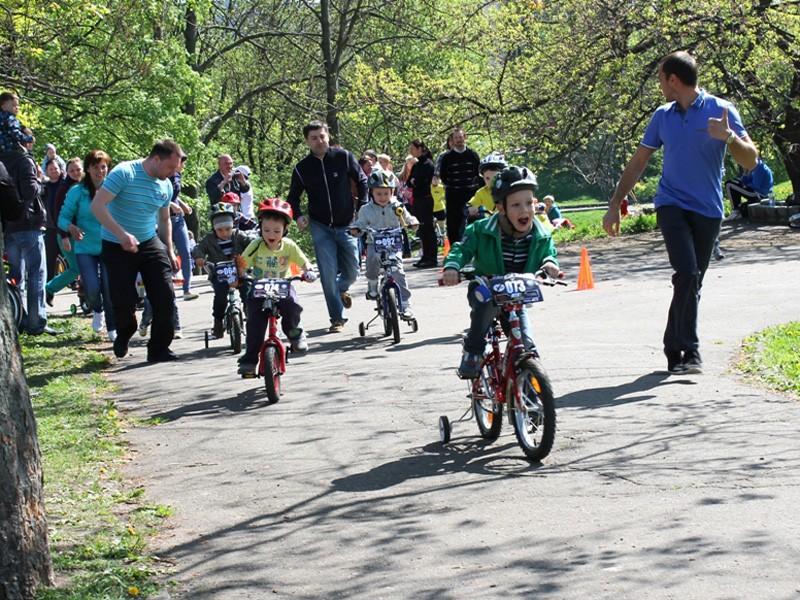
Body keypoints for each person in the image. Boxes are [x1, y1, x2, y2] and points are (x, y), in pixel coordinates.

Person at [602, 51, 758, 375]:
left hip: (708, 210)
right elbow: (639, 162)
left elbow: (751, 161)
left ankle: (676, 347)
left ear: (672, 79)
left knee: (693, 281)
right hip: (671, 204)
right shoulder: (663, 116)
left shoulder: (721, 110)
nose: (660, 86)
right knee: (686, 273)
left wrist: (728, 137)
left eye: (661, 79)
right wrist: (615, 203)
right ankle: (692, 350)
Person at [442, 166, 560, 379]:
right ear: (501, 208)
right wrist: (453, 267)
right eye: (516, 205)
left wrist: (550, 264)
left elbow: (548, 252)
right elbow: (461, 249)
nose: (525, 211)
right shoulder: (480, 229)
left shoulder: (540, 233)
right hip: (486, 287)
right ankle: (473, 350)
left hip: (517, 292)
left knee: (526, 344)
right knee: (485, 306)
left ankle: (530, 391)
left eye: (529, 203)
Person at [91, 139, 183, 362]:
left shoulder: (166, 185)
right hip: (116, 244)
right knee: (123, 302)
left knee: (165, 296)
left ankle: (159, 349)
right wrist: (121, 234)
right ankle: (125, 332)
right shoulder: (125, 172)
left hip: (149, 241)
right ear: (156, 158)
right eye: (171, 167)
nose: (173, 173)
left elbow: (164, 220)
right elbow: (97, 206)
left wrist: (169, 250)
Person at [286, 120, 368, 332]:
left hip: (347, 222)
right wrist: (298, 217)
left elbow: (362, 181)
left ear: (328, 136)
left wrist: (363, 207)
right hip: (320, 226)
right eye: (314, 138)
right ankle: (337, 319)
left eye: (322, 136)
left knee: (352, 271)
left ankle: (340, 290)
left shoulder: (343, 157)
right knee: (328, 273)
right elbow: (292, 198)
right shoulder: (302, 168)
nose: (319, 141)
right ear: (307, 141)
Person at [237, 198, 315, 376]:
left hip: (283, 286)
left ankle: (295, 334)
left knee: (292, 305)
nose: (271, 234)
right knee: (254, 323)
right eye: (266, 230)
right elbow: (242, 262)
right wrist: (240, 275)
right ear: (260, 229)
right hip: (259, 287)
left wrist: (308, 271)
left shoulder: (289, 246)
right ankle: (249, 359)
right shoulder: (255, 245)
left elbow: (304, 262)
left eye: (276, 231)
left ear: (285, 230)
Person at [58, 150, 117, 341]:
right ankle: (97, 309)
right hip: (85, 247)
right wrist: (71, 227)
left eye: (104, 166)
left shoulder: (115, 188)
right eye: (96, 167)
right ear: (88, 169)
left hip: (109, 245)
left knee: (110, 289)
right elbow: (62, 217)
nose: (101, 171)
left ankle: (112, 329)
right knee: (91, 289)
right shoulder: (77, 191)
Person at [1, 136, 53, 334]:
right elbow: (31, 189)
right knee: (36, 274)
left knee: (15, 276)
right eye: (29, 139)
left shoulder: (3, 160)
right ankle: (36, 322)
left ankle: (18, 320)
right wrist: (41, 183)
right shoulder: (25, 160)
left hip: (9, 227)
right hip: (29, 223)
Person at [350, 169, 419, 317]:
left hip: (393, 243)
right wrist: (356, 229)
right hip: (374, 242)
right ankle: (373, 284)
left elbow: (408, 217)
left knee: (398, 270)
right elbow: (360, 223)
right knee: (372, 260)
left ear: (392, 192)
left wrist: (413, 222)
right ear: (371, 192)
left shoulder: (397, 206)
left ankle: (406, 304)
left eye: (386, 193)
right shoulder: (366, 209)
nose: (382, 197)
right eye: (378, 193)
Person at [192, 202, 252, 339]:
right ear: (214, 228)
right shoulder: (209, 239)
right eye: (220, 230)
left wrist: (258, 244)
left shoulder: (239, 235)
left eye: (228, 229)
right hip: (220, 274)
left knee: (247, 291)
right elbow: (198, 248)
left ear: (233, 226)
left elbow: (252, 242)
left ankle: (252, 315)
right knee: (220, 297)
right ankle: (218, 322)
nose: (224, 233)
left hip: (239, 272)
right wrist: (199, 257)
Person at [45, 157, 84, 304]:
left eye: (78, 169)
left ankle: (88, 299)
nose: (75, 172)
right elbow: (57, 215)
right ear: (66, 172)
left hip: (84, 235)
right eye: (72, 170)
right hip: (66, 235)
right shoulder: (64, 188)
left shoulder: (87, 186)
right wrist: (64, 236)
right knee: (76, 268)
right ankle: (48, 289)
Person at [437, 127, 481, 245]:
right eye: (456, 138)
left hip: (471, 194)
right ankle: (455, 249)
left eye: (461, 137)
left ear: (465, 138)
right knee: (453, 223)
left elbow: (479, 174)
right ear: (452, 140)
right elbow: (443, 175)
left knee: (474, 221)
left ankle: (474, 248)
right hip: (454, 194)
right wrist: (452, 185)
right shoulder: (447, 157)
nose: (459, 140)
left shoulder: (473, 155)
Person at [169, 152, 197, 300]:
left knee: (186, 253)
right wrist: (171, 204)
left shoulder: (178, 176)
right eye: (182, 162)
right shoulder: (162, 176)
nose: (183, 165)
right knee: (166, 256)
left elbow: (174, 195)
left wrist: (183, 205)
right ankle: (167, 290)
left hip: (178, 220)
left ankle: (187, 289)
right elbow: (159, 196)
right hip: (163, 220)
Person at [406, 139, 437, 268]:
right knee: (422, 230)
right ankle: (425, 256)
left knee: (428, 229)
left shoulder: (428, 164)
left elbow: (422, 182)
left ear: (420, 149)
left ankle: (431, 257)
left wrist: (415, 181)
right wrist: (413, 181)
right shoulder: (417, 165)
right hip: (417, 199)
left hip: (426, 198)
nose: (411, 151)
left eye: (413, 148)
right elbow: (409, 182)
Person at [42, 159, 65, 284]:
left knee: (72, 260)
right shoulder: (44, 187)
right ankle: (49, 291)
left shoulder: (66, 185)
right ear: (47, 171)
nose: (54, 171)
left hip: (66, 228)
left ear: (60, 169)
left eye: (56, 168)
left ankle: (77, 286)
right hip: (51, 229)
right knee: (49, 260)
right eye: (51, 169)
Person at [467, 152, 507, 221]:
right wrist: (470, 209)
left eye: (496, 178)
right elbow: (472, 204)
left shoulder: (510, 189)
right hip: (493, 222)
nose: (491, 182)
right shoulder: (482, 192)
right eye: (487, 178)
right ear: (483, 178)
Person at [0, 92, 33, 158]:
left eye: (17, 105)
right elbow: (15, 134)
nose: (17, 108)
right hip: (10, 151)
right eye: (13, 105)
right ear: (3, 106)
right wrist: (29, 138)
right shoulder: (10, 118)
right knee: (28, 161)